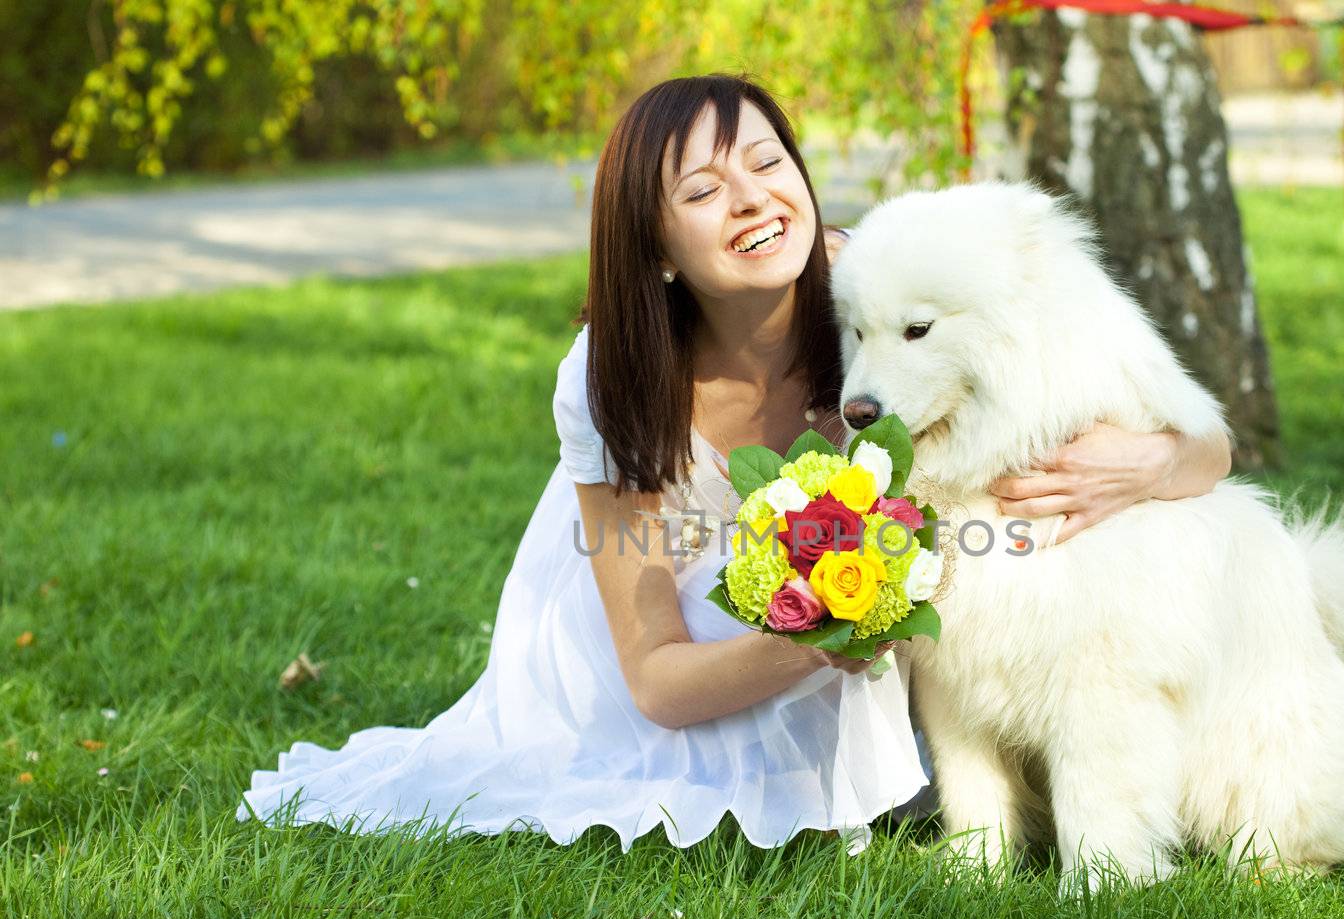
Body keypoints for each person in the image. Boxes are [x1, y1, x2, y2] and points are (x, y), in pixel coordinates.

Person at [238, 73, 1230, 855]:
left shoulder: (880, 290)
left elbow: (1201, 447)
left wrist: (1150, 461)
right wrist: (823, 634)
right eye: (703, 190)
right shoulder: (610, 379)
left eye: (767, 162)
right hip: (685, 632)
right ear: (657, 243)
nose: (753, 200)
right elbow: (659, 681)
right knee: (673, 772)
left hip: (852, 613)